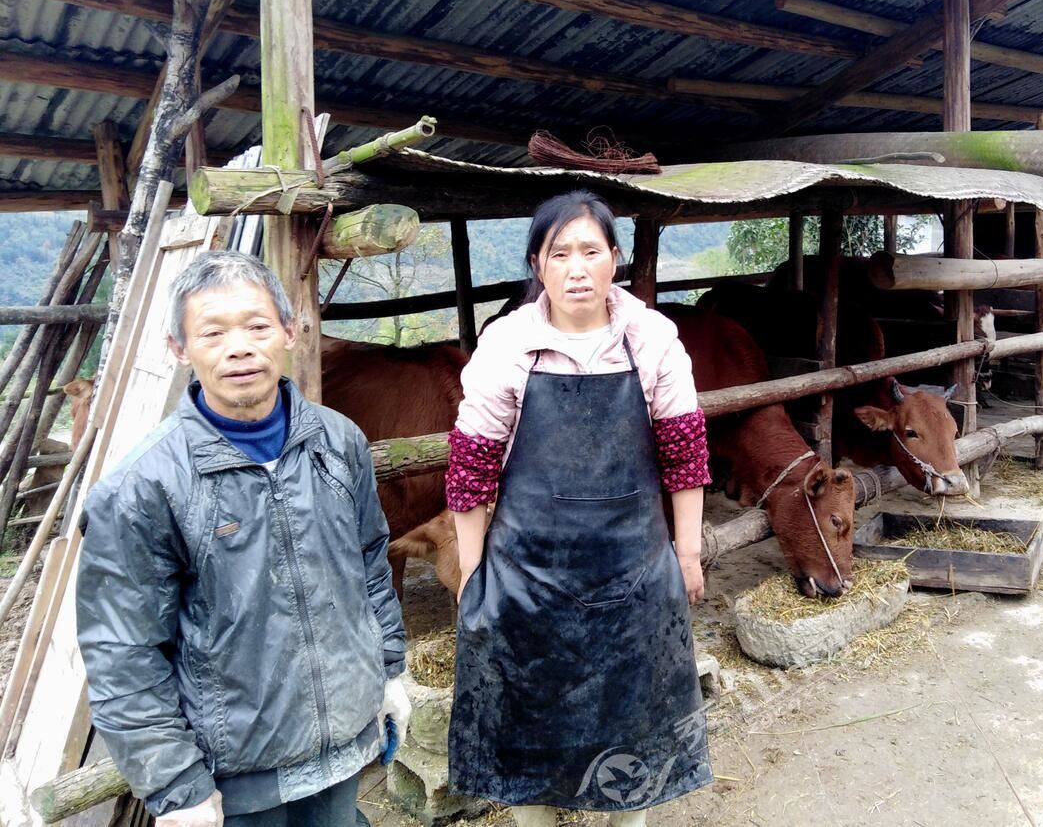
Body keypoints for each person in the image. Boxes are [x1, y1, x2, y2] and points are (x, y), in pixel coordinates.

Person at [76, 251, 411, 826]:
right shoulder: (143, 486)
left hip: (343, 750)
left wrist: (390, 670)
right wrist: (176, 783)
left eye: (257, 326)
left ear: (289, 331)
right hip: (234, 778)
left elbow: (369, 565)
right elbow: (122, 650)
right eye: (212, 331)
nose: (239, 347)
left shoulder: (340, 443)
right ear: (179, 348)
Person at [445, 191, 714, 827]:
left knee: (636, 719)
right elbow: (472, 468)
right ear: (537, 263)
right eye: (559, 252)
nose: (576, 267)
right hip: (528, 575)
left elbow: (685, 454)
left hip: (634, 570)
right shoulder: (508, 342)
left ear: (614, 259)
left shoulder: (651, 338)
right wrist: (475, 573)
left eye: (591, 250)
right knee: (530, 720)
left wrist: (688, 554)